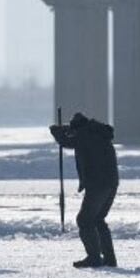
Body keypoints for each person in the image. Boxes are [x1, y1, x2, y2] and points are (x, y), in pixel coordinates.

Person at [50, 112, 119, 268]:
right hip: (110, 183)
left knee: (85, 220)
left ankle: (94, 257)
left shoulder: (86, 135)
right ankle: (109, 259)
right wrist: (66, 129)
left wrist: (56, 131)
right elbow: (75, 137)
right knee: (98, 220)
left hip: (98, 184)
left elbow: (66, 141)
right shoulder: (96, 131)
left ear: (78, 128)